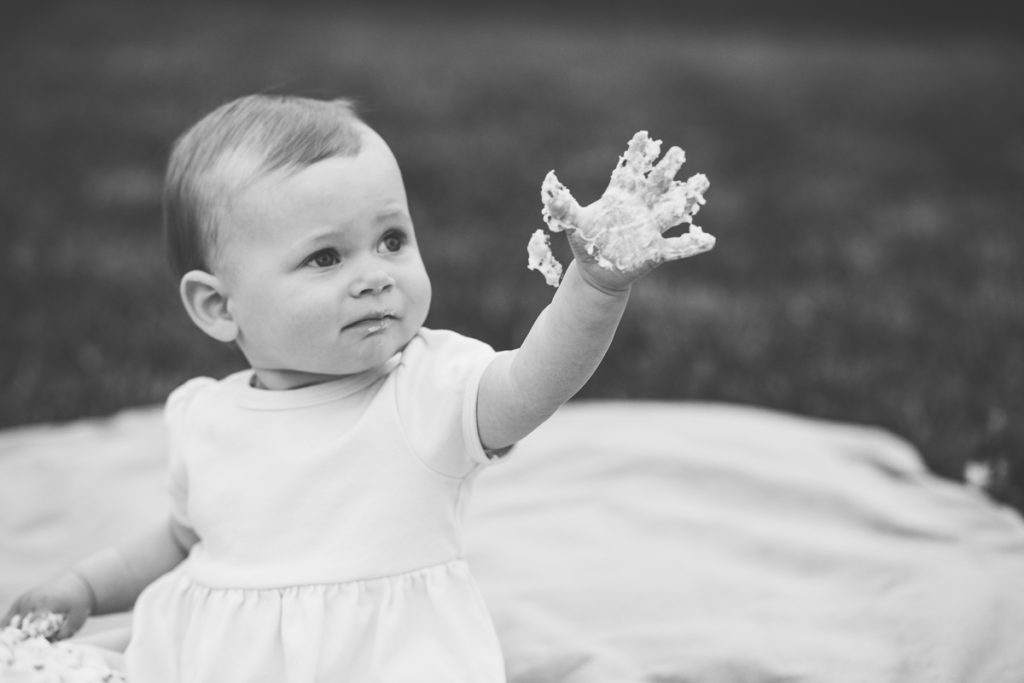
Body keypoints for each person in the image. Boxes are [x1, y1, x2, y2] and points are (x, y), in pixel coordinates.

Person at [2, 94, 713, 681]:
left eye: (392, 240)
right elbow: (184, 534)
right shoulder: (206, 414)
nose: (374, 274)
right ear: (219, 307)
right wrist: (88, 589)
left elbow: (534, 380)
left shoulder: (425, 390)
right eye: (325, 256)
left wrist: (594, 286)